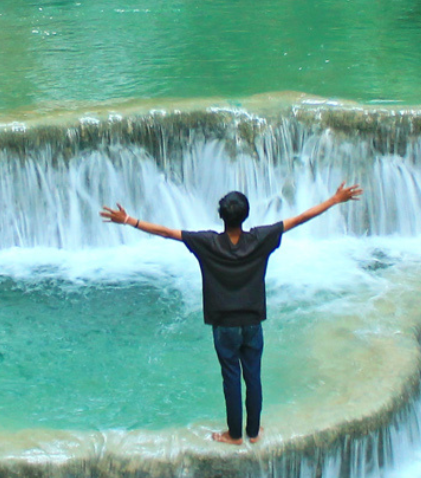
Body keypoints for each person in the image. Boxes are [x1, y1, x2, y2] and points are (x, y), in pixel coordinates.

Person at [100, 183, 364, 445]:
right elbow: (300, 218)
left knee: (231, 379)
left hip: (224, 324)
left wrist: (129, 220)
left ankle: (234, 435)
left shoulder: (207, 243)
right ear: (246, 215)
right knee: (253, 377)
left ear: (221, 216)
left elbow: (168, 233)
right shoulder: (261, 238)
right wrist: (334, 199)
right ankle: (253, 431)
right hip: (252, 322)